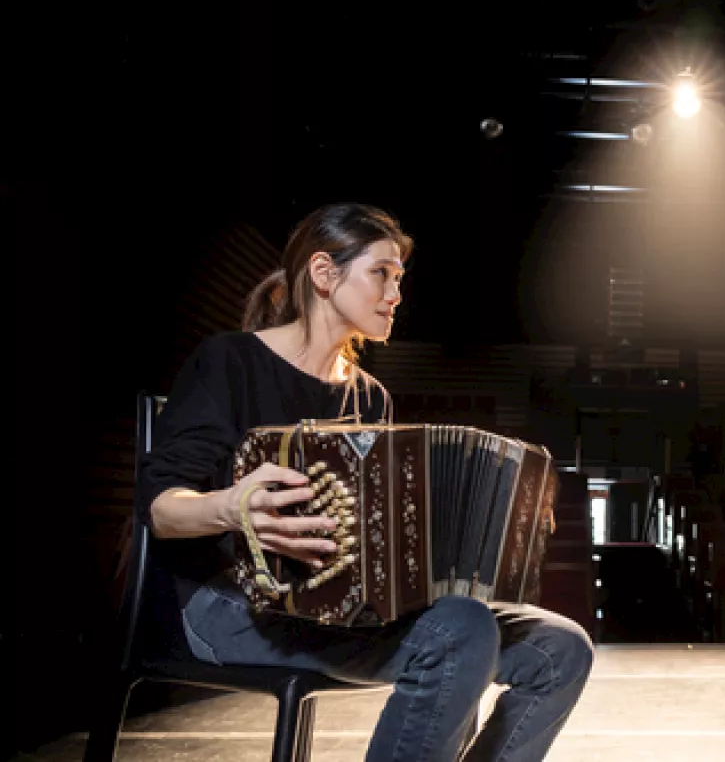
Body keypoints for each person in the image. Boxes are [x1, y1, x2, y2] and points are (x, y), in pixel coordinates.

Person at [139, 202, 593, 762]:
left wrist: (506, 523)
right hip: (225, 605)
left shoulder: (369, 396)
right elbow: (161, 508)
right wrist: (232, 507)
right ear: (325, 273)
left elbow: (376, 543)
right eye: (381, 273)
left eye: (399, 279)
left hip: (337, 609)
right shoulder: (230, 361)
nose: (396, 294)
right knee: (461, 629)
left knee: (561, 648)